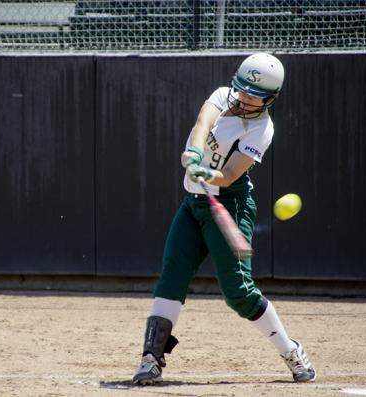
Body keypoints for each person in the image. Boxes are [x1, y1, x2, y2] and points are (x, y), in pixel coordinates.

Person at [132, 53, 316, 385]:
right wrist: (196, 153)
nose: (244, 97)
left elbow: (230, 175)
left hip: (229, 205)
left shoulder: (262, 128)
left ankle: (290, 351)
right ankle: (151, 358)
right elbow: (203, 123)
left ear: (269, 98)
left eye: (253, 94)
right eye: (242, 89)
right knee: (172, 275)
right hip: (194, 204)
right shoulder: (223, 95)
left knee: (239, 293)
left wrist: (208, 173)